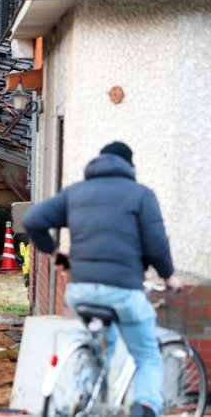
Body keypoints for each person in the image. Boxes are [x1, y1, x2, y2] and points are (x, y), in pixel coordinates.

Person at [23, 141, 182, 417]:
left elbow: (33, 220)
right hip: (122, 291)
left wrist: (56, 254)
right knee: (147, 356)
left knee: (100, 346)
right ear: (130, 167)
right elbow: (156, 245)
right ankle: (144, 409)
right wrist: (169, 277)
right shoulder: (141, 195)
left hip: (80, 291)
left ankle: (84, 397)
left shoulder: (75, 193)